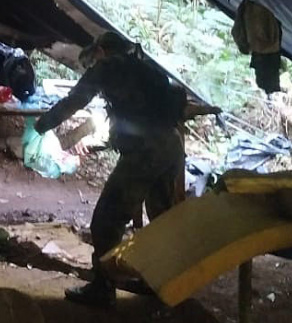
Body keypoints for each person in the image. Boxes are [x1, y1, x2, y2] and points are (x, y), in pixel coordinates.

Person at [34, 32, 187, 307]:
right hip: (171, 145)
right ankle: (160, 282)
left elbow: (74, 101)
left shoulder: (108, 68)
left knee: (106, 219)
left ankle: (103, 287)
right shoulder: (145, 67)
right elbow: (141, 116)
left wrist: (42, 125)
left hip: (146, 152)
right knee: (161, 219)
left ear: (103, 51)